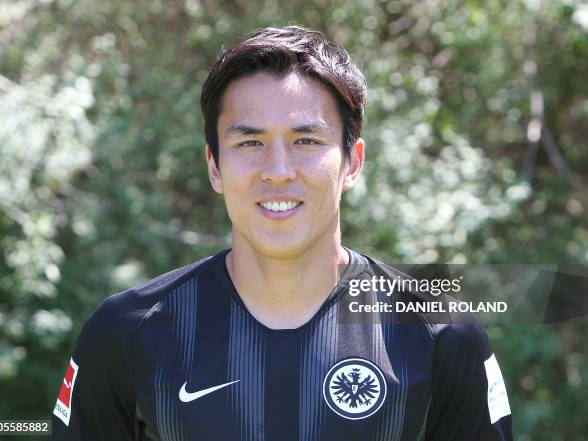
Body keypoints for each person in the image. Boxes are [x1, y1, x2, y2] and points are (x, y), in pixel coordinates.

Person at [51, 25, 513, 440]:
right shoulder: (127, 332)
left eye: (305, 141)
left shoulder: (440, 335)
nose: (277, 171)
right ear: (214, 168)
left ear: (353, 162)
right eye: (250, 142)